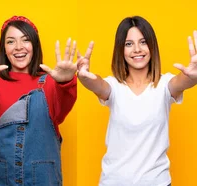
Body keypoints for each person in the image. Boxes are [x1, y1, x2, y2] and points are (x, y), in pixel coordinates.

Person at [76, 16, 197, 186]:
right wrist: (84, 77)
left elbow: (184, 81)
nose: (137, 49)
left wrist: (194, 75)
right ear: (121, 49)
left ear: (152, 46)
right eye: (129, 44)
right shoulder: (114, 87)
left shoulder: (164, 85)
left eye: (143, 42)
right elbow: (98, 84)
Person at [0, 16, 81, 185]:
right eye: (11, 41)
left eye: (26, 40)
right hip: (1, 179)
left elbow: (62, 107)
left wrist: (65, 82)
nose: (18, 47)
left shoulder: (51, 83)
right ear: (4, 48)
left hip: (43, 179)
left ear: (35, 45)